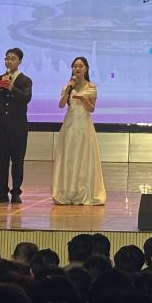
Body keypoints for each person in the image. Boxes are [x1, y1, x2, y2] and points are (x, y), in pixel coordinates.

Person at [51, 56, 106, 205]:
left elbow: (91, 109)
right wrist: (68, 90)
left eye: (81, 66)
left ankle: (83, 191)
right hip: (70, 125)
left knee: (83, 158)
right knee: (69, 157)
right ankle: (67, 191)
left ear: (86, 69)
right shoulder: (67, 86)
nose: (77, 69)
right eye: (75, 66)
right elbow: (61, 105)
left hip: (84, 126)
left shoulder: (91, 87)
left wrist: (83, 99)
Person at [0, 47, 32, 203]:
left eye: (13, 59)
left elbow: (26, 98)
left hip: (18, 127)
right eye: (7, 58)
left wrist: (11, 87)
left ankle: (16, 192)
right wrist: (0, 86)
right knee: (2, 161)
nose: (9, 61)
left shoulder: (25, 80)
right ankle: (2, 192)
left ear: (19, 61)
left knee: (17, 161)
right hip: (1, 126)